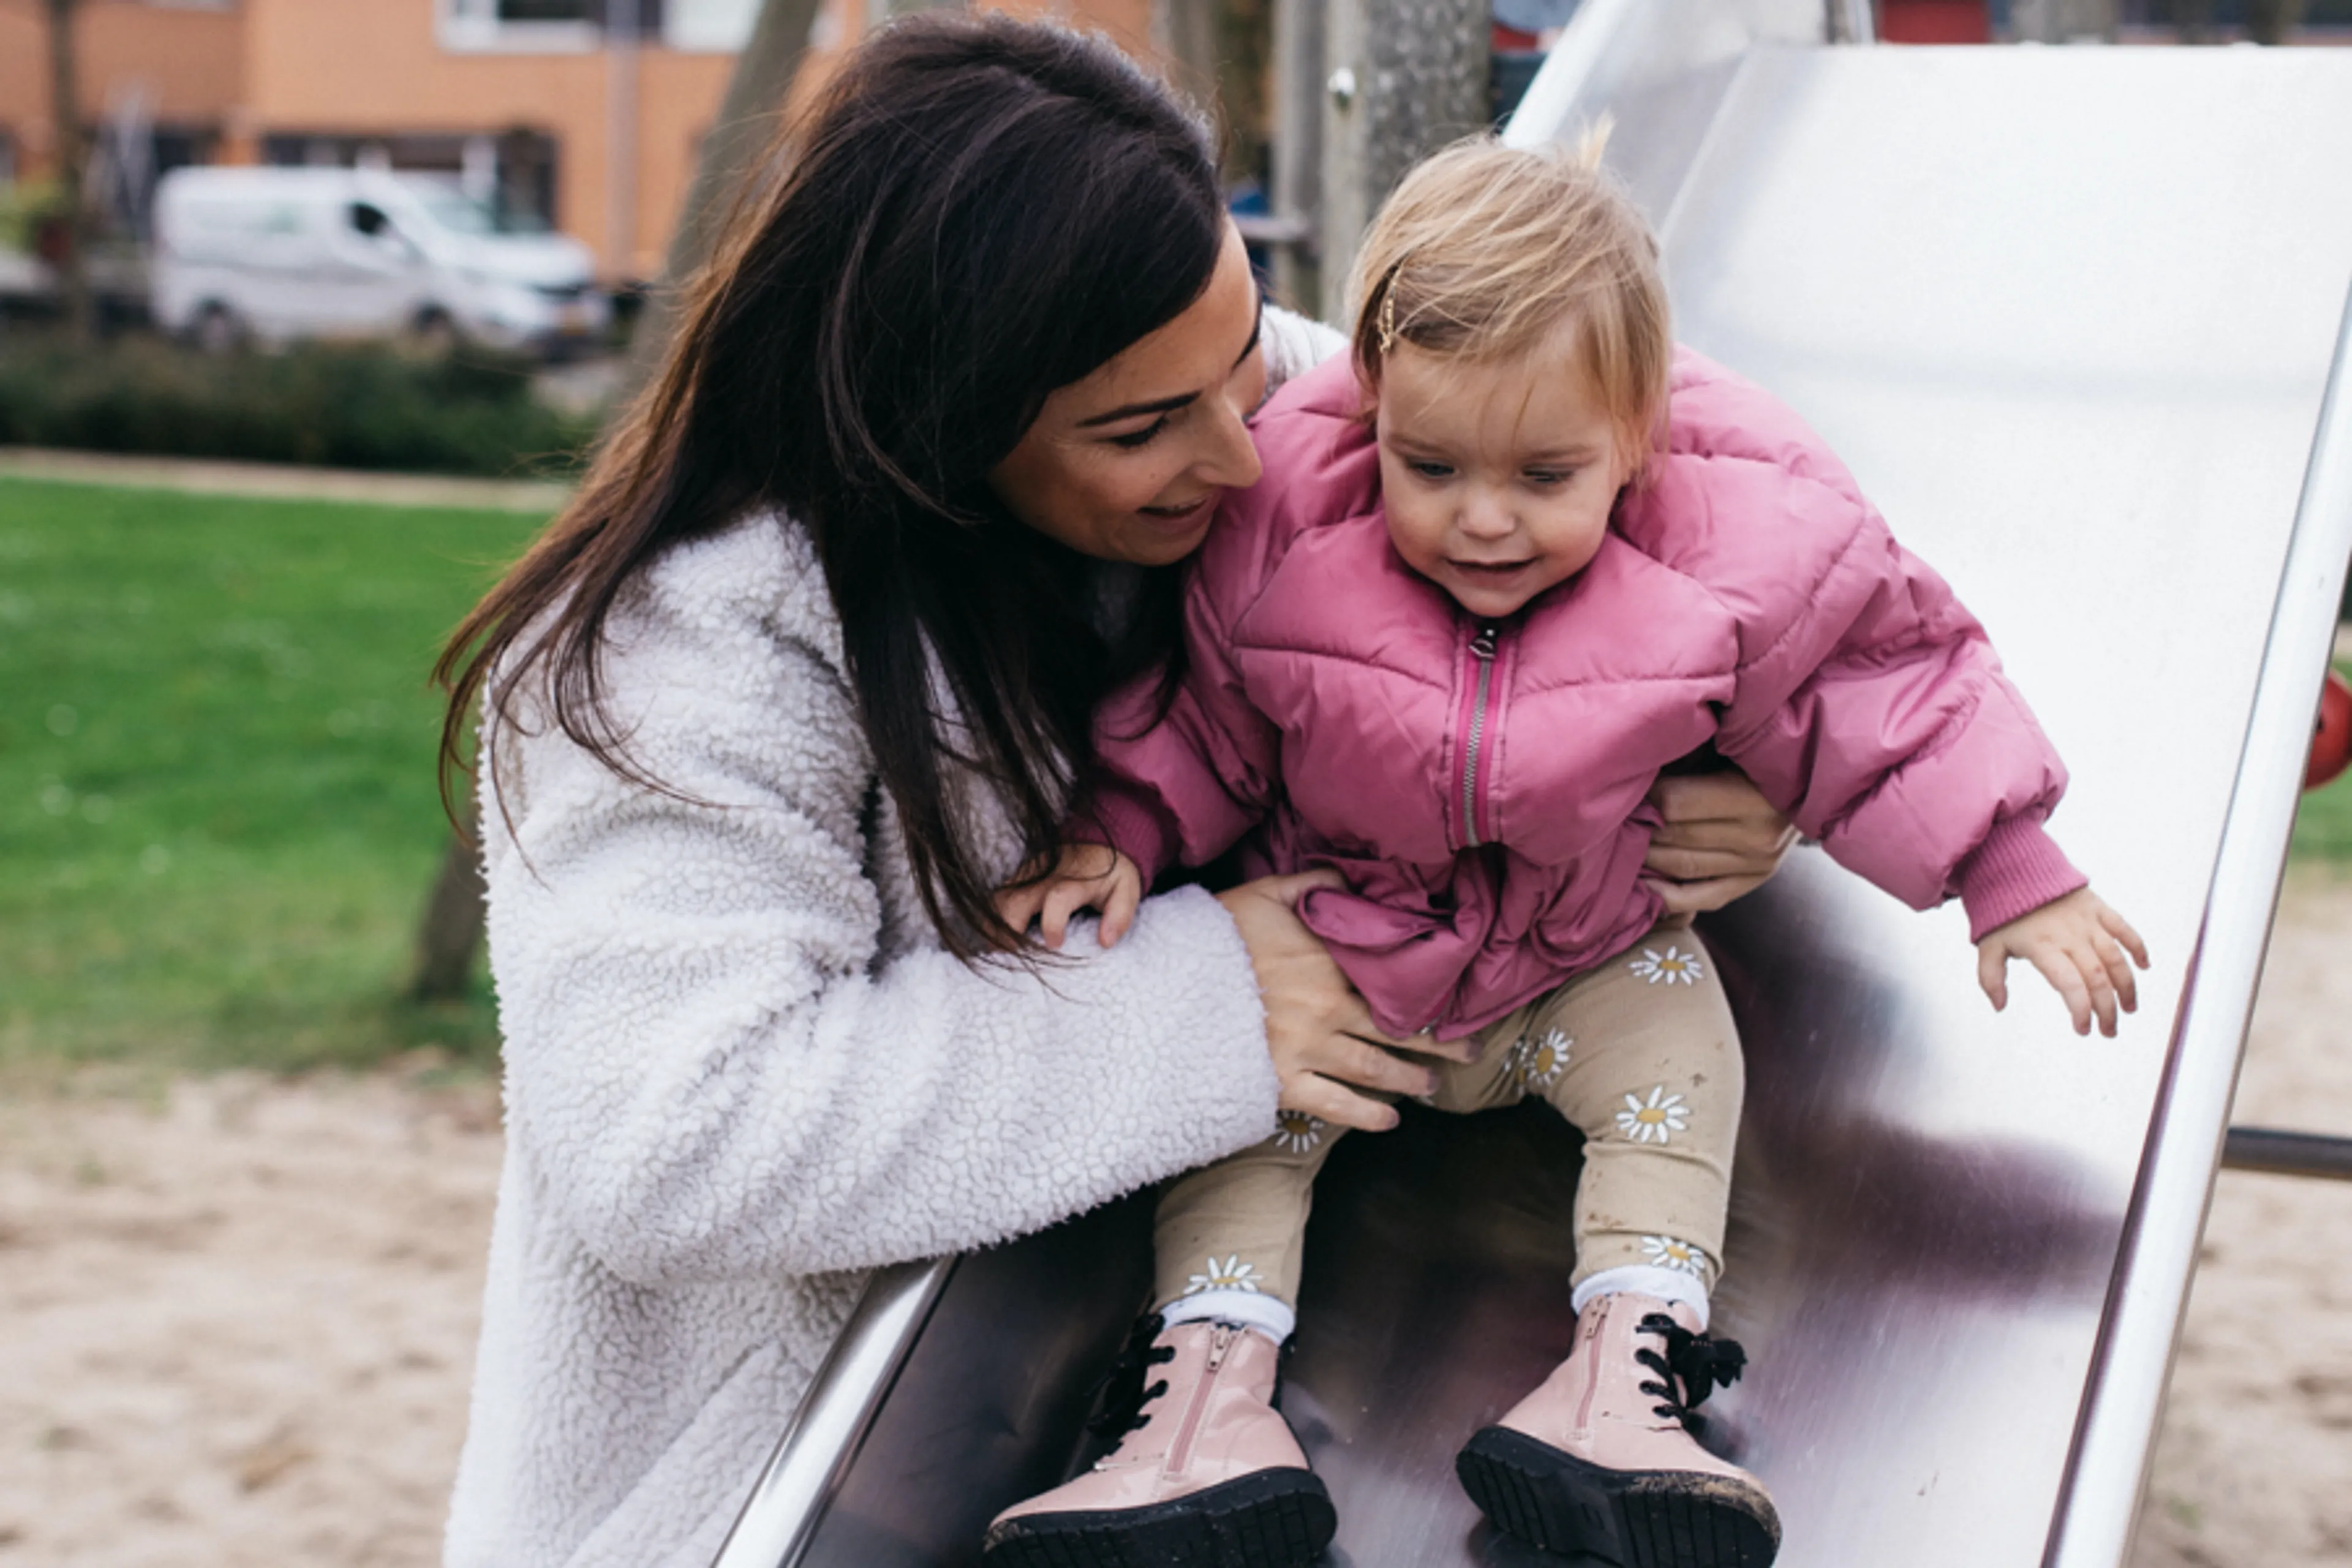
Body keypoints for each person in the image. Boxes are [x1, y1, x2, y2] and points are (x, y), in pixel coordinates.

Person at [429, 18, 1795, 1568]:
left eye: (1241, 361)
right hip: (757, 1492)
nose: (1248, 449)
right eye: (1144, 427)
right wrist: (1214, 1007)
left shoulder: (1236, 405)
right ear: (934, 423)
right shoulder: (677, 658)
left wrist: (1745, 769)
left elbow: (1657, 451)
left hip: (1082, 1381)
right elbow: (675, 1139)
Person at [983, 137, 2150, 1568]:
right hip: (1345, 954)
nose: (1484, 514)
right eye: (1433, 464)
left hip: (1580, 959)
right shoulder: (1288, 507)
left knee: (1684, 1066)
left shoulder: (1742, 536)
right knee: (1233, 1118)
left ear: (1640, 431)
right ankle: (1202, 1410)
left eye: (1546, 473)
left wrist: (2010, 865)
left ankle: (1623, 1378)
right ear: (1372, 407)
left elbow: (1882, 683)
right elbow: (1204, 721)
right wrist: (1117, 831)